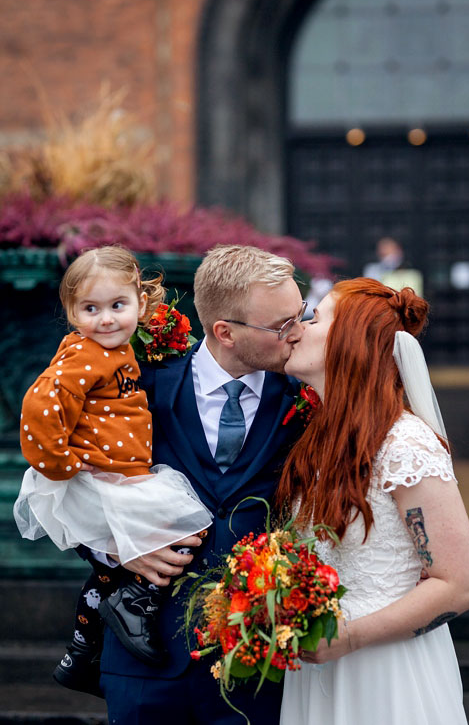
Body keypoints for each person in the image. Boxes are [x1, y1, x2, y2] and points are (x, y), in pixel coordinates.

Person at [96, 244, 309, 724]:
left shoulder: (307, 396)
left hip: (259, 666)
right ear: (224, 332)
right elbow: (69, 482)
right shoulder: (139, 384)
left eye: (301, 315)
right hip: (146, 660)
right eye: (281, 326)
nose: (298, 333)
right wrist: (115, 546)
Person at [276, 277, 469, 725]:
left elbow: (461, 586)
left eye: (315, 319)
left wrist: (347, 638)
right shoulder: (316, 439)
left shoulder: (404, 444)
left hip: (387, 674)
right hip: (317, 672)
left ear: (351, 341)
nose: (297, 329)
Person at [13, 245, 213, 694]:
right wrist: (59, 463)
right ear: (71, 312)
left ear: (141, 304)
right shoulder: (85, 355)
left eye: (117, 306)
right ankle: (134, 606)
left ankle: (82, 651)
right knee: (186, 531)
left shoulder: (119, 350)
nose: (106, 319)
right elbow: (40, 405)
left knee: (108, 573)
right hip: (98, 476)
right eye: (90, 309)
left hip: (120, 472)